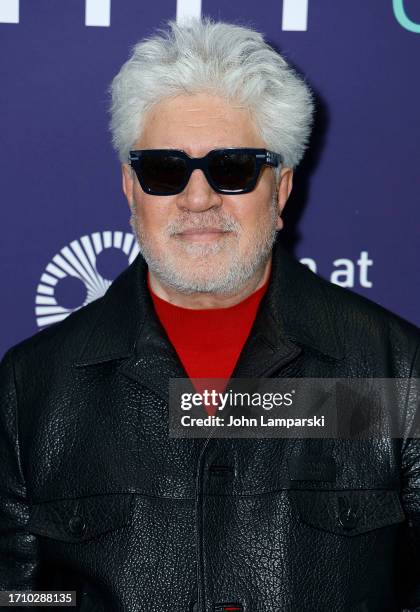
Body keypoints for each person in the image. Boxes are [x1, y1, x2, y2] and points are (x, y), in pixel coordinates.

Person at [0, 16, 419, 612]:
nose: (199, 199)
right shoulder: (33, 387)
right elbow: (18, 596)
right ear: (129, 188)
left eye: (234, 168)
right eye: (166, 170)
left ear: (280, 190)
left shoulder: (393, 372)